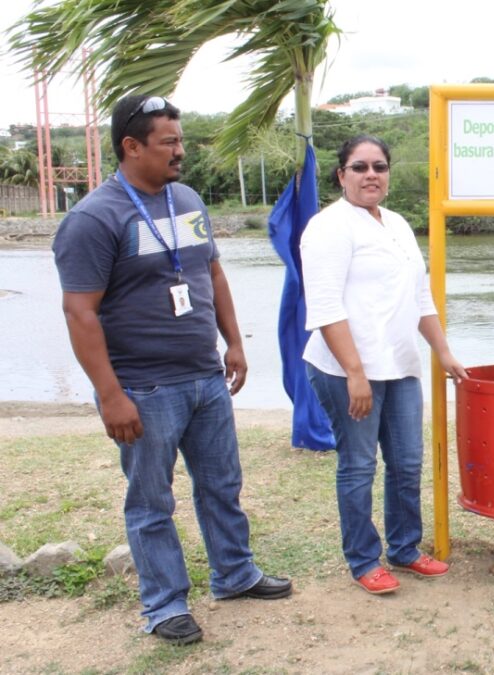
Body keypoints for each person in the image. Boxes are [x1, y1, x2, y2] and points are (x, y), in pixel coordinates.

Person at [52, 95, 292, 646]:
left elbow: (212, 274)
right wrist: (110, 395)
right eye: (169, 142)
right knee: (152, 500)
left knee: (221, 485)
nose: (180, 151)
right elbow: (79, 311)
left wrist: (233, 343)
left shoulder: (185, 199)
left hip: (205, 377)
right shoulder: (93, 218)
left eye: (180, 140)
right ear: (131, 147)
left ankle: (235, 574)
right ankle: (164, 606)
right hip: (144, 386)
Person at [301, 134, 468, 595]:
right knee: (358, 465)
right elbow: (325, 307)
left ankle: (405, 548)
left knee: (407, 462)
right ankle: (362, 559)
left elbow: (418, 298)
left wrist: (444, 352)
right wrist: (356, 373)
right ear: (342, 175)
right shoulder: (328, 227)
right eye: (359, 167)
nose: (370, 174)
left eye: (378, 166)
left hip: (400, 365)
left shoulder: (395, 223)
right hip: (346, 370)